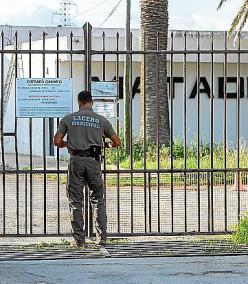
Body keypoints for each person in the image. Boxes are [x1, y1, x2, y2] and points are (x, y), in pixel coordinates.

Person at [53, 90, 121, 247]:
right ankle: (101, 237)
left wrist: (67, 144)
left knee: (76, 201)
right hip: (93, 162)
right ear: (92, 102)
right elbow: (117, 142)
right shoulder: (101, 120)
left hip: (76, 160)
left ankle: (79, 240)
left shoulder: (68, 119)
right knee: (98, 199)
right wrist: (103, 145)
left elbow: (57, 141)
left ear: (79, 102)